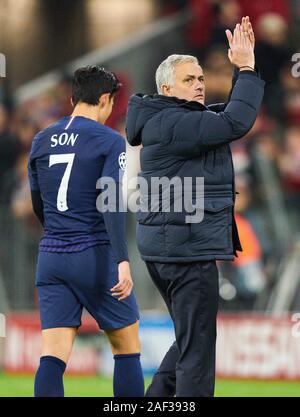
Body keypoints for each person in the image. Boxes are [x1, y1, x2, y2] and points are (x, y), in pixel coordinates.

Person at [125, 17, 264, 397]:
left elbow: (226, 115)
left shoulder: (163, 119)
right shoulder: (174, 123)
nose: (200, 84)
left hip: (169, 248)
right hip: (186, 252)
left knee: (191, 340)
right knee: (198, 351)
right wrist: (247, 69)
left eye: (201, 77)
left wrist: (242, 78)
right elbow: (235, 121)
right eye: (190, 80)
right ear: (166, 88)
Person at [28, 65, 144, 397]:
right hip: (94, 254)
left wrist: (56, 234)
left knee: (52, 355)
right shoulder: (110, 140)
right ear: (106, 100)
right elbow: (111, 202)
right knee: (126, 347)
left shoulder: (41, 139)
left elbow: (40, 204)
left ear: (72, 98)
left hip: (51, 256)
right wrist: (121, 260)